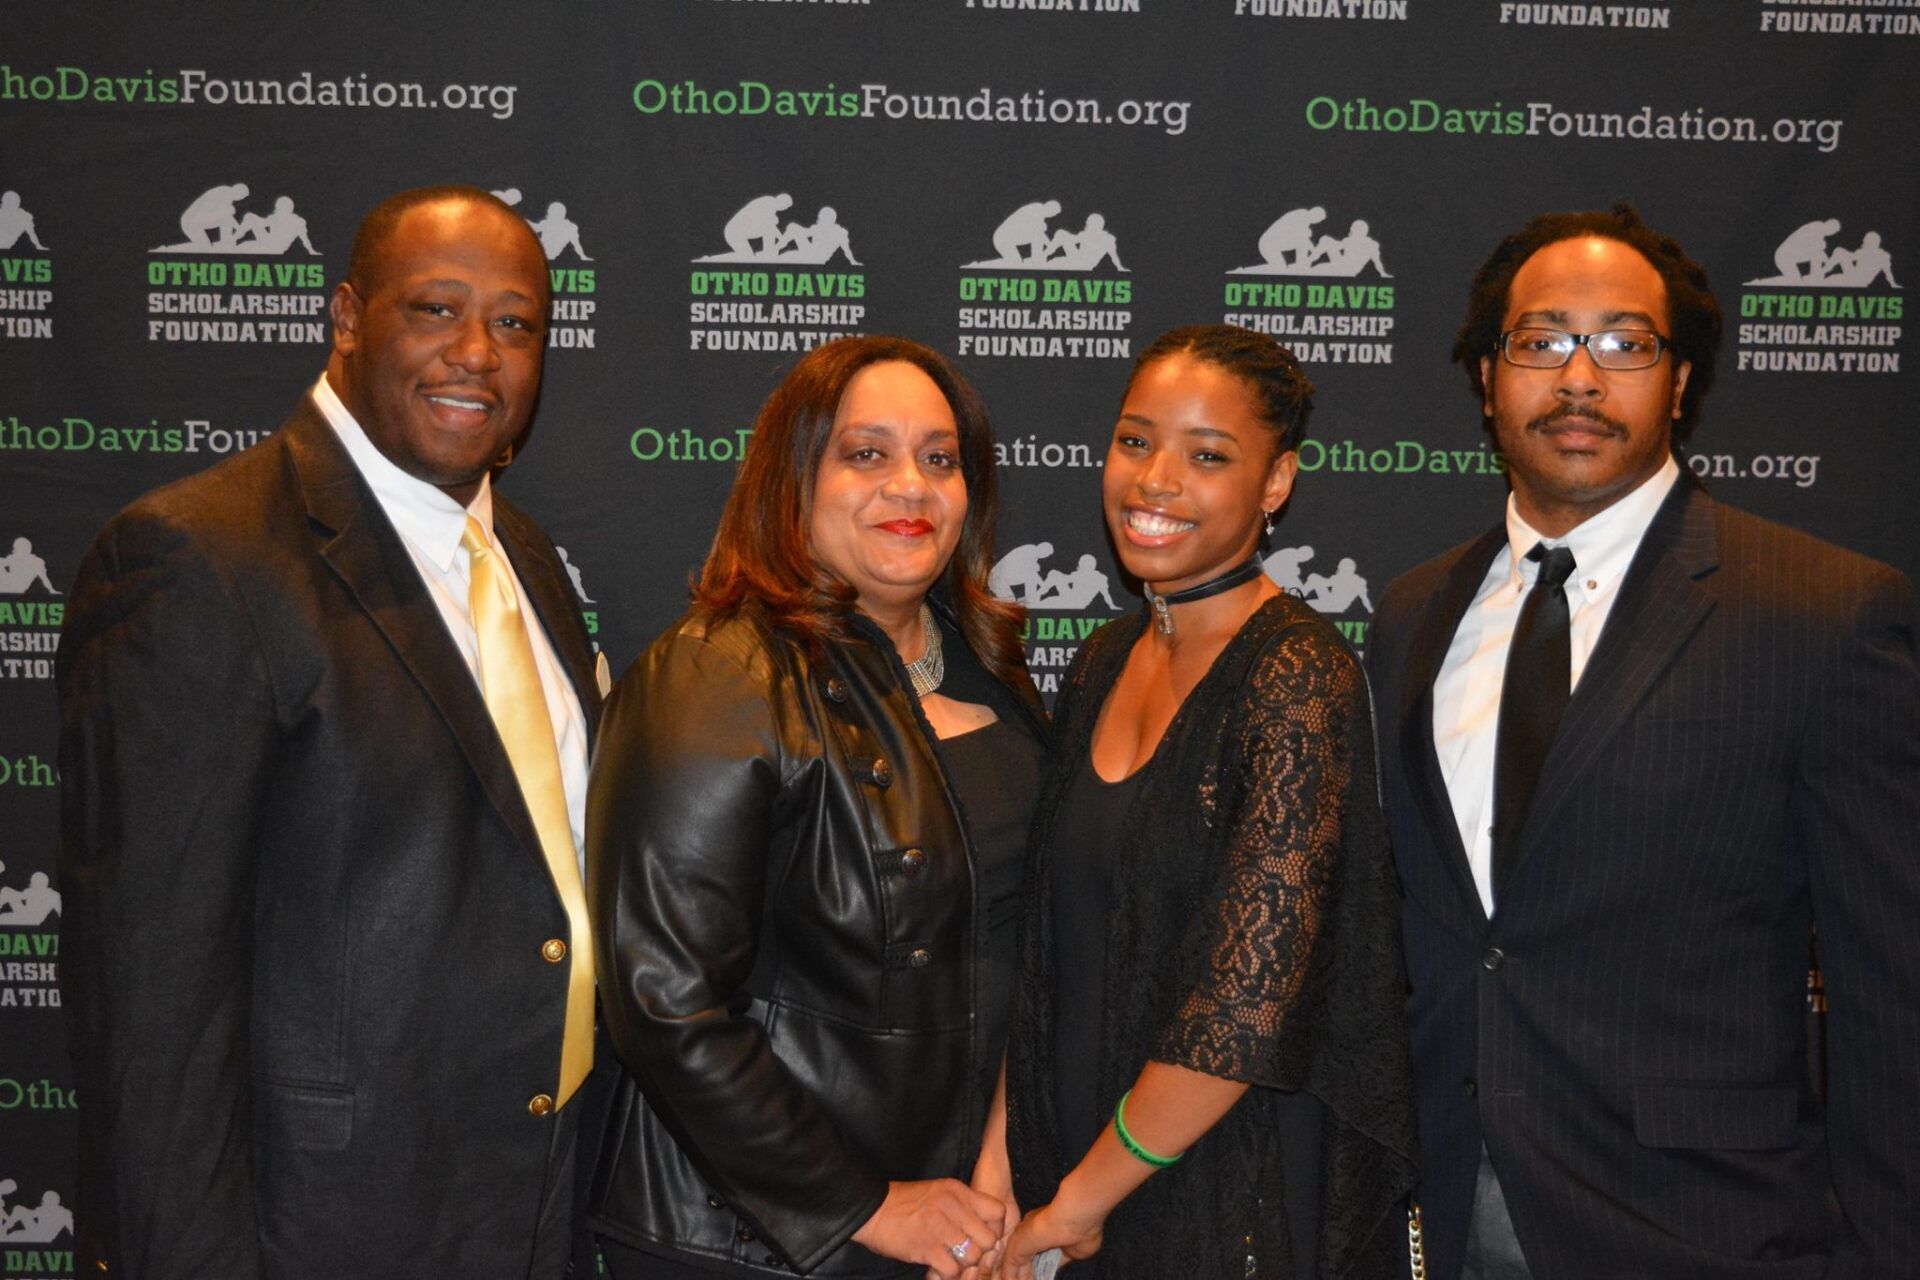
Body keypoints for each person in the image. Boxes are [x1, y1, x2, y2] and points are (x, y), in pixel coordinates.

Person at [58, 186, 605, 1279]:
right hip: (318, 1231)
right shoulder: (200, 558)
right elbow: (153, 1007)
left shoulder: (527, 560)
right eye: (436, 309)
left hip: (531, 1204)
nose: (477, 353)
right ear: (348, 317)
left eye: (514, 323)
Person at [1368, 204, 1920, 1279]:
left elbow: (1891, 997)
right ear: (1487, 377)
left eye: (1624, 343)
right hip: (1439, 1211)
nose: (1579, 378)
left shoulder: (1821, 614)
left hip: (1703, 1226)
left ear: (1680, 381)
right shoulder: (1414, 612)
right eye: (1541, 341)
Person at [586, 335, 1048, 1279]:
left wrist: (1000, 1173)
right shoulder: (717, 674)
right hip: (759, 1242)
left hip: (967, 1225)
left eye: (940, 459)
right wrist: (867, 1204)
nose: (910, 486)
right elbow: (664, 1004)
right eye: (866, 454)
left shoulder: (993, 676)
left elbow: (1030, 949)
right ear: (792, 480)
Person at [992, 325, 1418, 1280]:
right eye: (1135, 441)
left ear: (1276, 482)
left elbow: (1243, 1010)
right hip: (1070, 1177)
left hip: (1222, 1195)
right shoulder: (1102, 659)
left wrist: (1084, 1200)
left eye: (1209, 455)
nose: (1155, 480)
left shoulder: (1297, 676)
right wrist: (1001, 1169)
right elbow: (1044, 956)